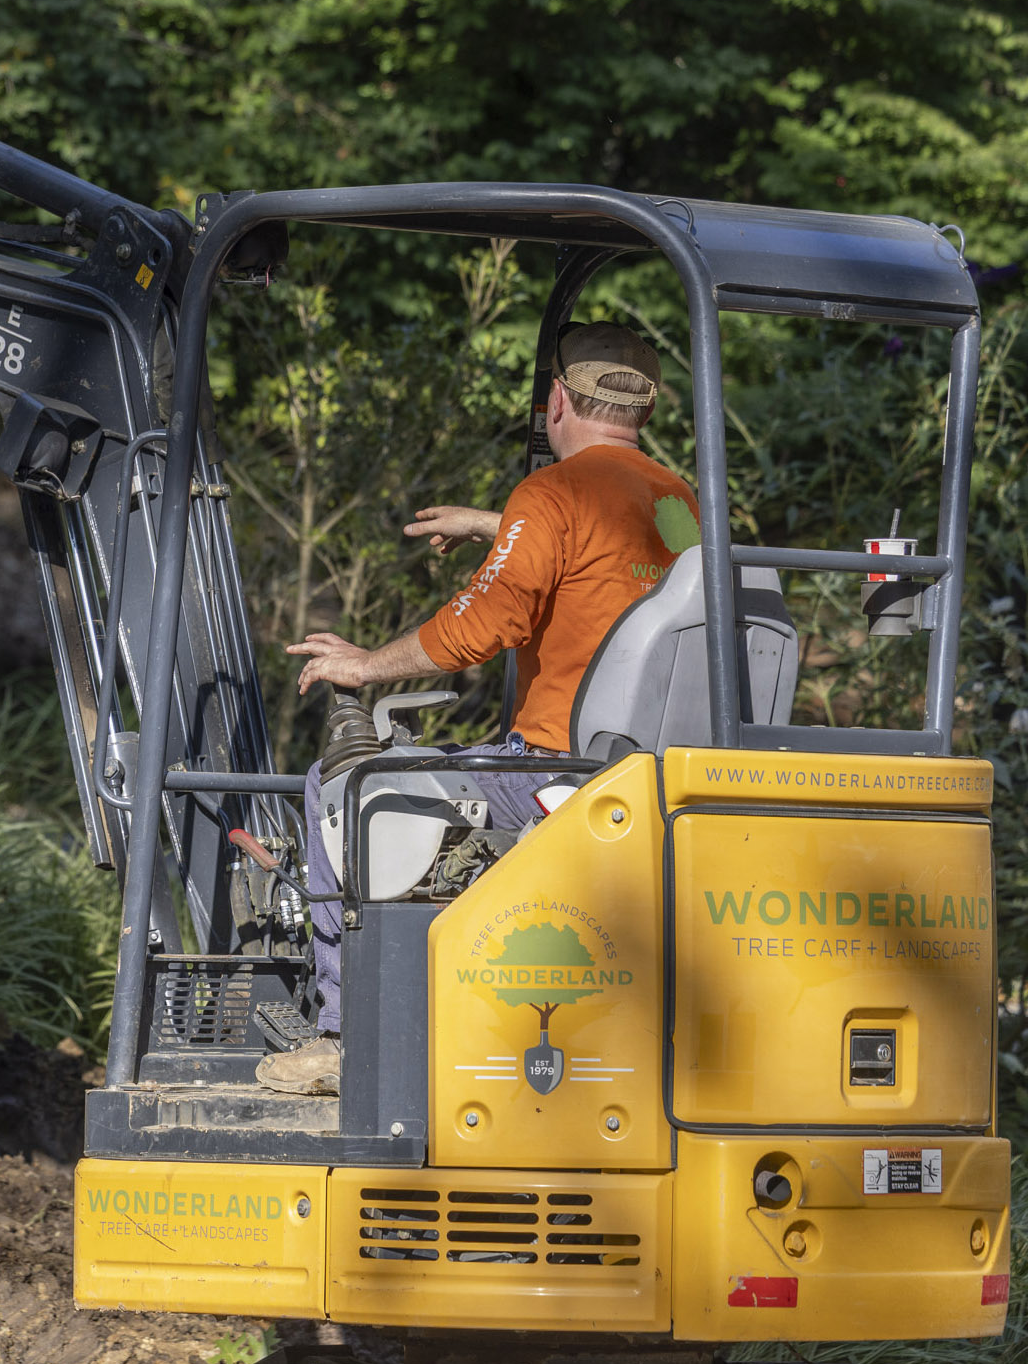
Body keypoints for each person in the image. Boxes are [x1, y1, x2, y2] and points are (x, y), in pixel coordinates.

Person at [261, 321, 701, 1094]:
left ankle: (342, 1038)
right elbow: (609, 565)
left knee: (341, 788)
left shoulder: (554, 492)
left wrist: (364, 666)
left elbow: (482, 628)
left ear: (555, 399)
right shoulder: (676, 500)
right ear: (644, 412)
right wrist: (495, 528)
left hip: (550, 773)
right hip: (649, 778)